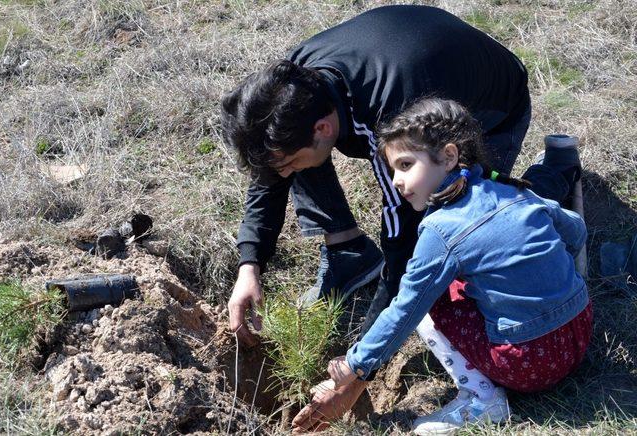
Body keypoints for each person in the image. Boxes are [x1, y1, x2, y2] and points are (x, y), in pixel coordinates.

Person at [220, 4, 546, 431]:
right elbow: (272, 167)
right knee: (290, 161)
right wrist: (250, 265)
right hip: (414, 68)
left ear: (323, 128)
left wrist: (356, 370)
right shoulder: (296, 85)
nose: (280, 174)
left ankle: (549, 180)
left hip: (492, 112)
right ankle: (348, 252)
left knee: (447, 221)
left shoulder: (397, 124)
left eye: (288, 160)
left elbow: (406, 250)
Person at [322, 98, 592, 435]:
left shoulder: (441, 231)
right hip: (580, 332)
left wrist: (355, 364)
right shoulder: (514, 190)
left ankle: (483, 400)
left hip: (531, 365)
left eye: (406, 165)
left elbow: (405, 309)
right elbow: (575, 230)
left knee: (429, 301)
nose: (396, 181)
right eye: (393, 170)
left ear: (449, 156)